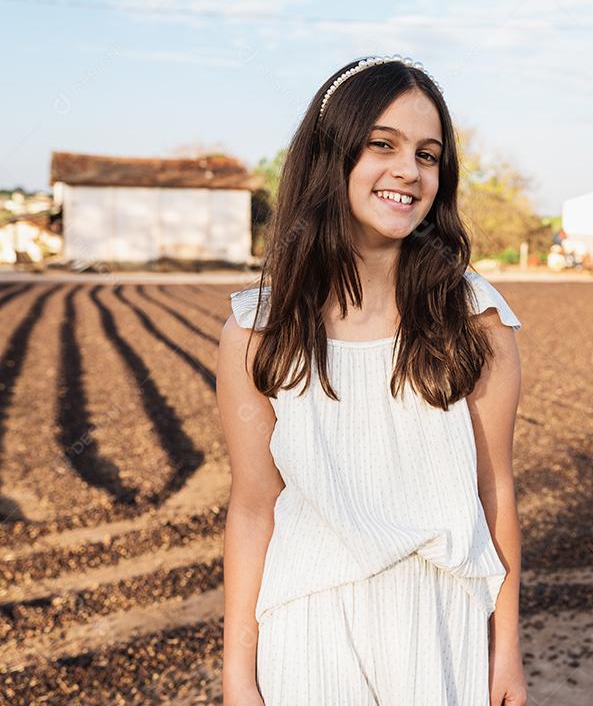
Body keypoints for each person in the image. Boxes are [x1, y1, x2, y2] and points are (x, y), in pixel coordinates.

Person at [215, 55, 528, 706]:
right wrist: (237, 676)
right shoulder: (256, 331)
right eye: (382, 144)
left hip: (440, 625)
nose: (408, 171)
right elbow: (252, 507)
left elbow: (493, 487)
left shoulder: (475, 317)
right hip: (307, 627)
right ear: (332, 156)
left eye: (428, 154)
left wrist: (506, 650)